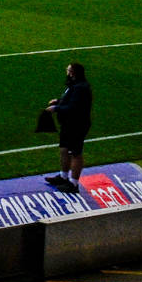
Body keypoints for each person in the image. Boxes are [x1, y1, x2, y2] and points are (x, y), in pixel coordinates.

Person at [45, 62, 94, 193]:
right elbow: (70, 100)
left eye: (68, 70)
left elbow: (74, 108)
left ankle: (73, 184)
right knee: (64, 149)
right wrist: (58, 101)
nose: (66, 72)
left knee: (76, 153)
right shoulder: (75, 85)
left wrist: (56, 108)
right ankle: (63, 176)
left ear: (73, 73)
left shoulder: (80, 88)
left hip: (77, 125)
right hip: (68, 124)